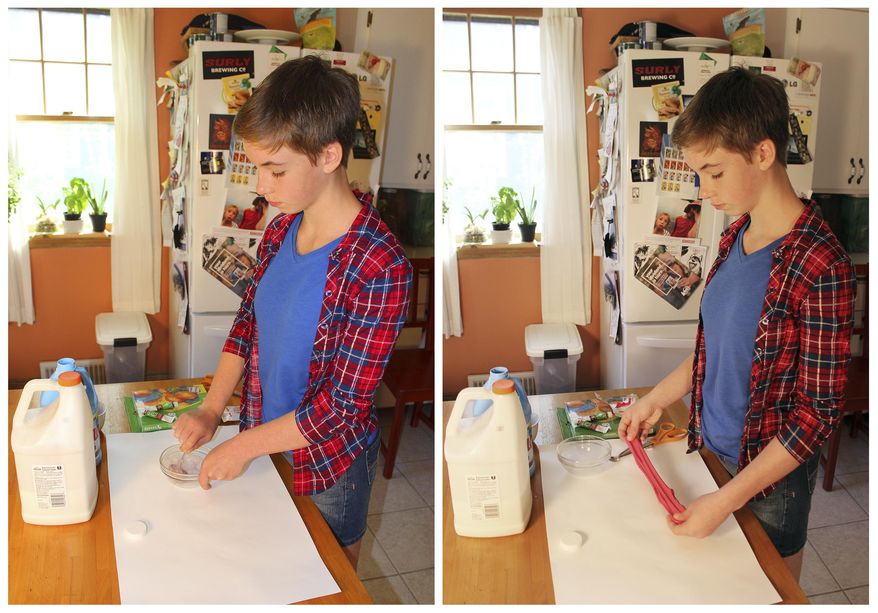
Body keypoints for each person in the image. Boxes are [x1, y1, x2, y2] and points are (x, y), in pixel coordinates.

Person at [172, 55, 413, 569]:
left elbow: (342, 407)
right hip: (262, 438)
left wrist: (244, 448)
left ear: (329, 155)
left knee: (327, 578)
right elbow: (248, 324)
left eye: (275, 170)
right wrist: (214, 408)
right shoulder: (282, 229)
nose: (261, 185)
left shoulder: (379, 265)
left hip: (328, 466)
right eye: (259, 167)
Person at [618, 66, 855, 581]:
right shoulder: (734, 238)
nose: (704, 191)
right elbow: (717, 348)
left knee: (768, 591)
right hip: (711, 452)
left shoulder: (821, 265)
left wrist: (726, 500)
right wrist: (657, 399)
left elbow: (816, 416)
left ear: (764, 153)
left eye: (715, 172)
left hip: (769, 483)